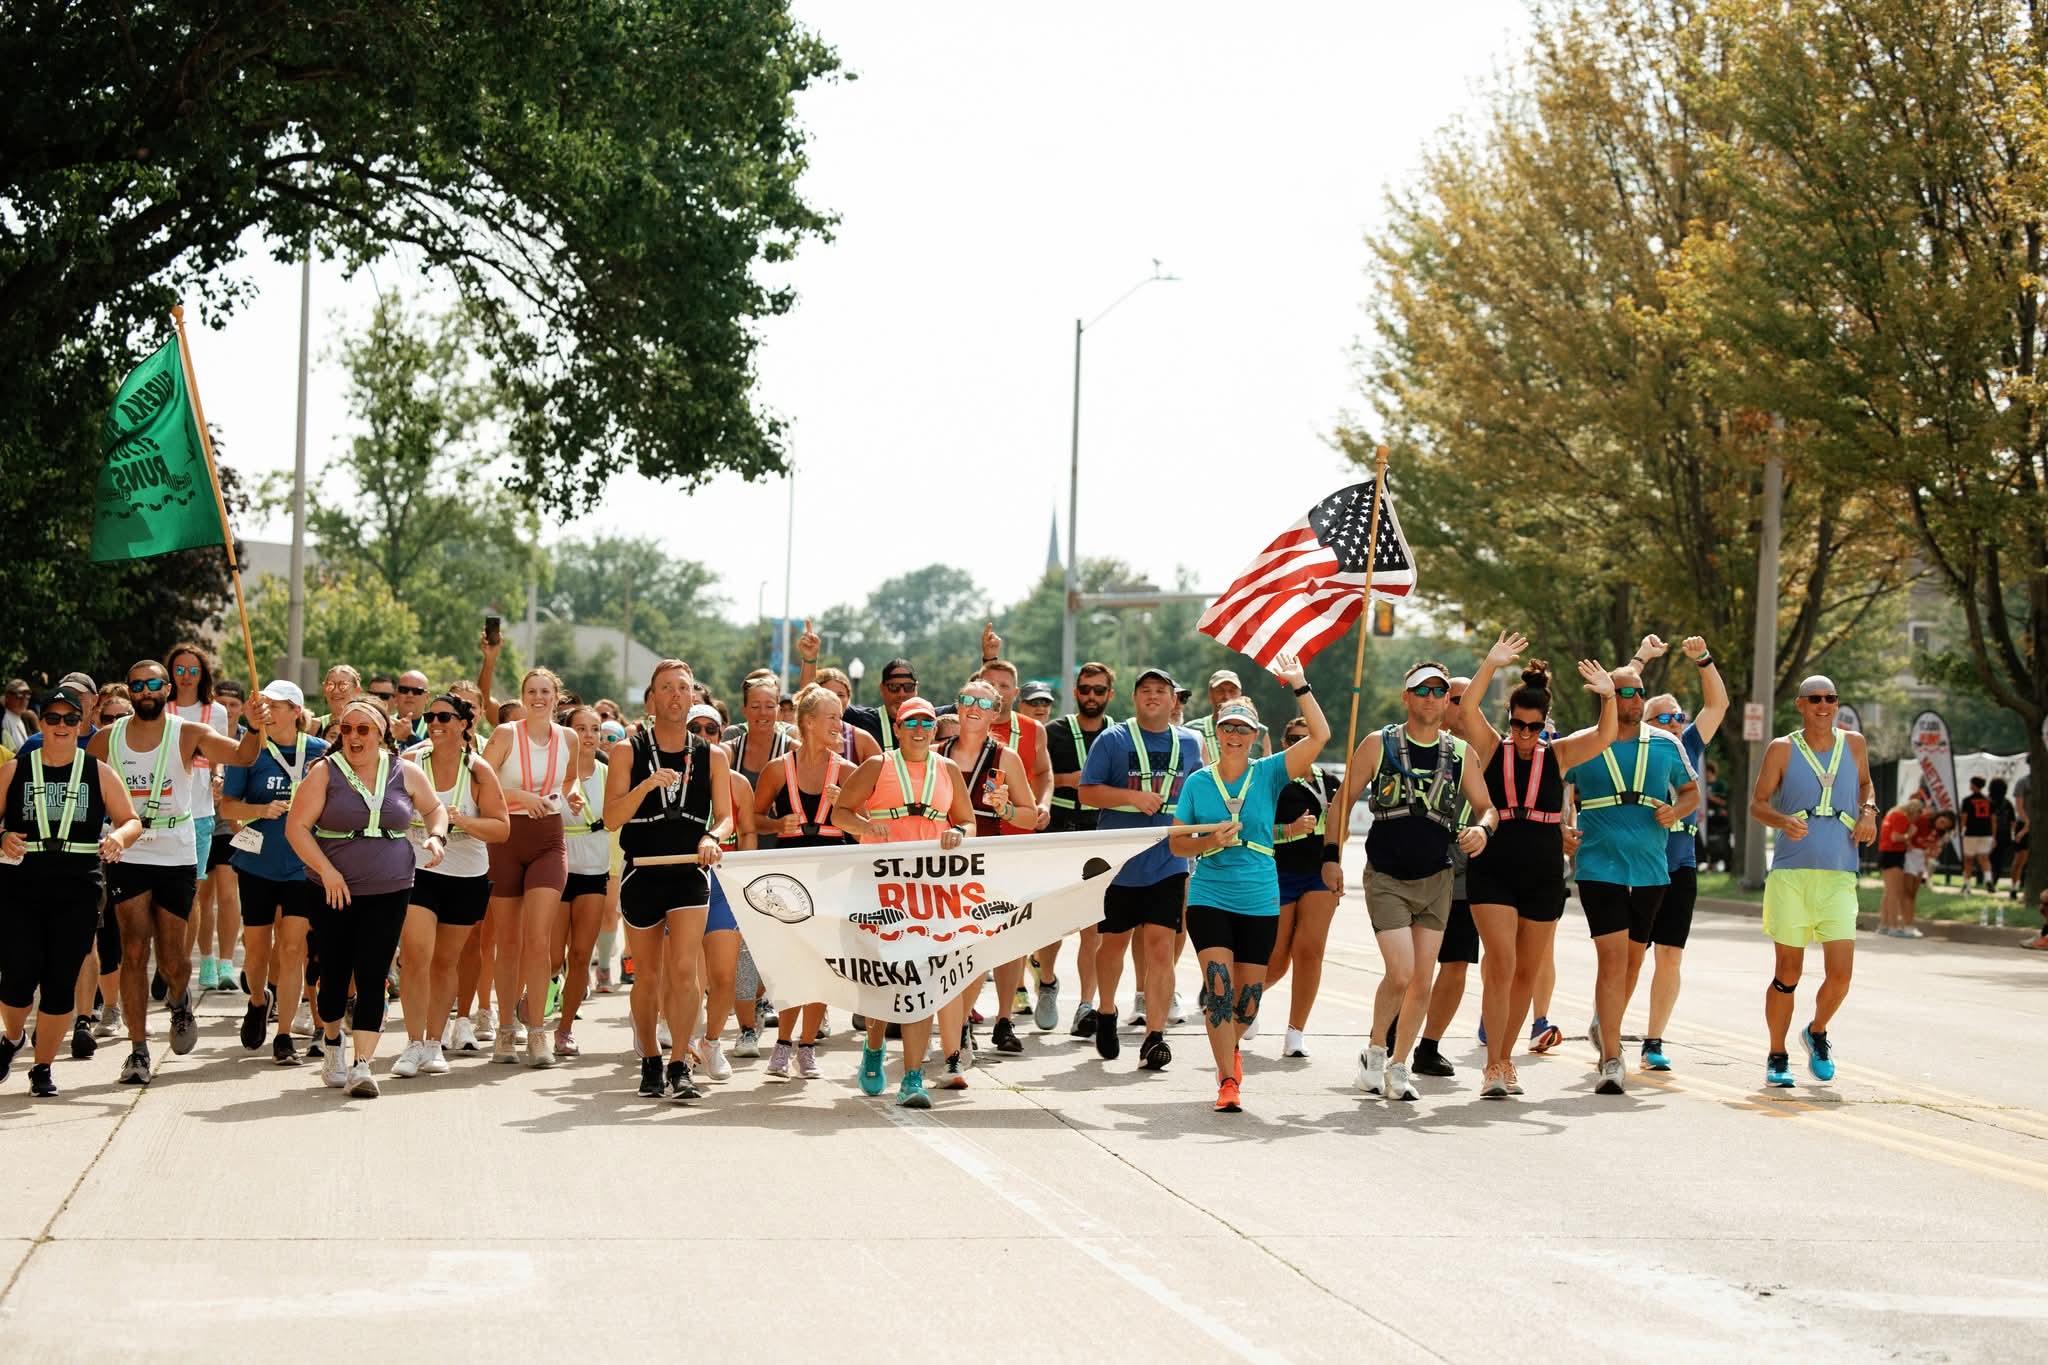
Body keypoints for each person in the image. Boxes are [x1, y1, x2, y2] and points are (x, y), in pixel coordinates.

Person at [86, 661, 267, 1084]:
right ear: (129, 691)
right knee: (134, 951)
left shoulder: (187, 733)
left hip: (176, 853)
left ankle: (180, 1000)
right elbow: (82, 783)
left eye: (153, 683)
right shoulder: (107, 738)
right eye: (137, 685)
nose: (145, 691)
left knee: (172, 958)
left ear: (167, 689)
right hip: (128, 852)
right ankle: (137, 1050)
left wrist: (255, 728)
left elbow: (243, 756)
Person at [1165, 654, 1328, 1113]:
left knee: (1248, 1003)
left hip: (1259, 895)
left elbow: (1320, 736)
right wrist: (1208, 840)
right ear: (1216, 733)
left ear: (1255, 736)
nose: (1234, 735)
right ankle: (1228, 1079)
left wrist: (1299, 684)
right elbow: (1177, 845)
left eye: (1243, 728)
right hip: (1210, 892)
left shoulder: (1270, 772)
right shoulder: (1198, 782)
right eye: (1228, 727)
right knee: (1219, 990)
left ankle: (1228, 1048)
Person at [1344, 661, 1500, 1103]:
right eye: (1422, 690)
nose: (1431, 698)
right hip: (1387, 874)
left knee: (1422, 980)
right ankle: (1376, 1051)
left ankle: (1398, 1066)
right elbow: (1343, 801)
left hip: (1436, 877)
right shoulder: (1378, 744)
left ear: (1447, 700)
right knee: (1401, 972)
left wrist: (1483, 830)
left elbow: (1487, 807)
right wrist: (1329, 858)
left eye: (1439, 691)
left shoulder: (1460, 752)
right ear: (1406, 696)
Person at [285, 697, 448, 1097]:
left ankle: (362, 1066)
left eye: (363, 729)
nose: (353, 736)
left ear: (381, 733)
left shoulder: (405, 771)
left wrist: (436, 836)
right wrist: (327, 871)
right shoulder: (325, 772)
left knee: (374, 975)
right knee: (335, 975)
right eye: (346, 729)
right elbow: (297, 828)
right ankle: (333, 1044)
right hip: (332, 890)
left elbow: (435, 809)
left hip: (391, 887)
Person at [829, 696, 976, 1109]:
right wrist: (866, 826)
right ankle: (874, 1045)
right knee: (884, 978)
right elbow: (840, 813)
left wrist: (959, 833)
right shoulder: (878, 765)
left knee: (922, 979)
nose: (919, 730)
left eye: (927, 723)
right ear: (897, 728)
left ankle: (912, 1077)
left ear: (935, 729)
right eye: (911, 722)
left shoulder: (947, 769)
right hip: (880, 887)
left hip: (929, 889)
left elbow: (967, 820)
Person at [0, 686, 143, 1098]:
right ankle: (13, 1038)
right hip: (21, 887)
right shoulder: (15, 770)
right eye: (52, 718)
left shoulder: (97, 771)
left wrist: (119, 837)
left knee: (61, 981)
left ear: (81, 724)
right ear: (42, 723)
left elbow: (131, 820)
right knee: (16, 980)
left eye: (70, 719)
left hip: (78, 887)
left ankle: (42, 1068)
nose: (61, 725)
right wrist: (3, 836)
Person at [1560, 660, 1695, 1095]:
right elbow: (1553, 786)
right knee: (1613, 960)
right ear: (1607, 697)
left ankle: (1607, 1024)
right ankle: (1612, 1057)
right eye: (1624, 692)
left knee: (1634, 962)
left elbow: (1691, 792)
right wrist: (1561, 827)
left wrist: (1676, 810)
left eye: (1639, 692)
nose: (1634, 699)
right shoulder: (1584, 744)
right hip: (1599, 866)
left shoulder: (1666, 745)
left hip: (1651, 869)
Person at [605, 661, 733, 1103]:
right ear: (653, 697)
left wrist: (713, 837)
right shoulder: (628, 751)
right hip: (642, 870)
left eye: (683, 688)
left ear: (693, 696)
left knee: (684, 970)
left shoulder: (712, 755)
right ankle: (650, 1059)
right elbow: (611, 817)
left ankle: (681, 1063)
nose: (676, 695)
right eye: (666, 688)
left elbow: (727, 816)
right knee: (648, 976)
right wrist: (645, 786)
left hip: (688, 871)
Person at [1750, 675, 1878, 1088]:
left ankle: (1817, 1031)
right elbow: (1758, 804)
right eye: (1816, 699)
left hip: (1840, 874)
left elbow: (1865, 783)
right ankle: (1777, 1054)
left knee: (1841, 975)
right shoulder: (1782, 748)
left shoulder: (1854, 743)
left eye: (1830, 698)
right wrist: (1781, 820)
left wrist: (1869, 811)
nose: (1824, 705)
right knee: (1788, 972)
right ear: (1801, 705)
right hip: (1791, 875)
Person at [1079, 667, 1207, 1071]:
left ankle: (1155, 1036)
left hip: (1169, 859)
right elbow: (1086, 792)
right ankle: (1106, 1010)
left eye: (1161, 691)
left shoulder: (1191, 742)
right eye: (1146, 690)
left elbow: (1202, 791)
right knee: (1113, 943)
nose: (1153, 696)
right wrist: (1132, 797)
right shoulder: (1113, 739)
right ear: (1134, 699)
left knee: (1160, 947)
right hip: (1119, 861)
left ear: (1174, 700)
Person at [390, 695, 508, 1079]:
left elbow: (501, 828)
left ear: (464, 724)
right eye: (430, 716)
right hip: (416, 869)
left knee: (445, 962)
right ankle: (412, 1043)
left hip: (466, 875)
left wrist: (463, 822)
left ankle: (433, 1044)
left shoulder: (478, 770)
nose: (435, 723)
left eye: (444, 716)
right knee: (416, 955)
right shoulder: (410, 761)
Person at [934, 677, 1042, 1085]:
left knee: (976, 951)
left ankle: (960, 1026)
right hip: (938, 866)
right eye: (966, 700)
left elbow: (1030, 818)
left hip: (984, 864)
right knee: (943, 952)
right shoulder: (937, 752)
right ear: (957, 705)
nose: (973, 708)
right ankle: (952, 1030)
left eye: (983, 703)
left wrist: (1006, 808)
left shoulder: (1005, 757)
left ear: (996, 713)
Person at [1632, 633, 1730, 1071]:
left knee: (1670, 954)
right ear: (1646, 721)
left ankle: (1653, 1040)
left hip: (1681, 864)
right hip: (1638, 865)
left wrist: (1704, 661)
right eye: (1665, 717)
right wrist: (1642, 658)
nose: (1675, 723)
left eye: (1679, 717)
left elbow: (1718, 706)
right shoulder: (1634, 747)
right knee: (1629, 956)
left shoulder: (1688, 745)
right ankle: (1606, 1021)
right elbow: (1615, 696)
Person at [218, 681, 329, 1063]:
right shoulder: (251, 751)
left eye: (276, 705)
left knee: (293, 948)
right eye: (263, 704)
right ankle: (257, 999)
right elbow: (227, 807)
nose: (267, 711)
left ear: (296, 711)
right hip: (258, 864)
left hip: (302, 866)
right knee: (257, 950)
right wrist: (259, 811)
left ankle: (284, 1034)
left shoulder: (320, 752)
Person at [479, 667, 582, 1068]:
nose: (538, 697)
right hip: (506, 838)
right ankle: (506, 1027)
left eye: (545, 691)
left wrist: (572, 796)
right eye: (531, 691)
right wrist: (521, 795)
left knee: (539, 940)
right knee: (509, 941)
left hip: (549, 840)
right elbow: (480, 786)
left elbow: (570, 780)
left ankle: (537, 1031)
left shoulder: (568, 738)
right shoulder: (506, 734)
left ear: (557, 697)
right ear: (523, 697)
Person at [754, 683, 851, 1079]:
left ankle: (807, 1047)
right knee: (790, 961)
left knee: (822, 964)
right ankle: (782, 1044)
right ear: (808, 722)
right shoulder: (778, 769)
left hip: (831, 875)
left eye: (840, 716)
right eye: (832, 717)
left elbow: (869, 826)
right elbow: (754, 819)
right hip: (789, 876)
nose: (839, 723)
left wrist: (845, 805)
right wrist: (778, 823)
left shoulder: (848, 771)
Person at [1259, 711, 1344, 1060]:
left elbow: (1339, 831)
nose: (1301, 745)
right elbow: (1257, 830)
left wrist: (1335, 850)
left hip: (1318, 874)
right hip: (1279, 872)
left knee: (1310, 952)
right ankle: (1245, 1002)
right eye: (1294, 740)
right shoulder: (1272, 780)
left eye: (1308, 738)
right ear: (1284, 744)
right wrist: (1291, 830)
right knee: (1277, 959)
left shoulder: (1331, 782)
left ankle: (1296, 1031)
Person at [1044, 662, 1116, 1036]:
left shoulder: (1120, 735)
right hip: (1058, 833)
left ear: (1110, 695)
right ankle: (1047, 982)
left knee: (1094, 927)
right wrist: (1067, 780)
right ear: (1075, 692)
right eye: (1085, 689)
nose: (1091, 696)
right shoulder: (1053, 732)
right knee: (1050, 925)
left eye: (1099, 690)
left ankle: (1086, 1005)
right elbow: (1036, 778)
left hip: (1099, 836)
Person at [549, 705, 612, 1059]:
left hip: (594, 870)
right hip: (556, 869)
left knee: (581, 955)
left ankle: (565, 1029)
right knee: (551, 957)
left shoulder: (609, 774)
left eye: (595, 729)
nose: (589, 735)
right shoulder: (553, 773)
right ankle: (534, 1005)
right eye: (581, 728)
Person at [1876, 798, 1925, 938]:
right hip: (1893, 855)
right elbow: (1895, 837)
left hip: (1886, 853)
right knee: (1895, 893)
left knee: (1888, 892)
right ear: (1914, 811)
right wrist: (1910, 833)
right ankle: (1893, 926)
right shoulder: (1902, 817)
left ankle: (1884, 925)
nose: (1916, 819)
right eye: (1917, 815)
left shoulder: (1892, 814)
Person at [1961, 776, 1996, 894]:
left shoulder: (1967, 800)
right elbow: (1993, 819)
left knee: (1968, 859)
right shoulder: (1989, 801)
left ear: (1973, 785)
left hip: (1971, 833)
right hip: (1986, 833)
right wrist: (1993, 835)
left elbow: (1964, 818)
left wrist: (1961, 830)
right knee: (1984, 858)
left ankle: (1967, 885)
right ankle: (1988, 880)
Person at [1, 679, 30, 751]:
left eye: (27, 695)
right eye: (19, 695)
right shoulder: (5, 719)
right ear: (7, 697)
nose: (24, 700)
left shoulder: (17, 718)